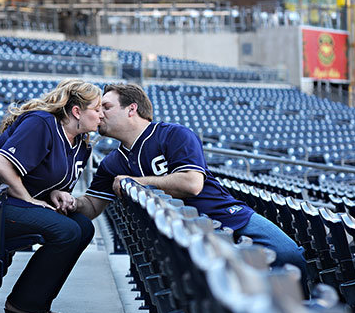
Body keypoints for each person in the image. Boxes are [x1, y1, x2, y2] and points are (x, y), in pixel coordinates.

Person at [52, 83, 308, 281]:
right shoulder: (112, 163)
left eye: (106, 107)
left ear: (132, 109)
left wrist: (135, 181)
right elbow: (92, 207)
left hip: (224, 214)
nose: (99, 114)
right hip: (183, 235)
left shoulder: (174, 134)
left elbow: (192, 183)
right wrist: (69, 201)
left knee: (288, 255)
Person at [0, 79, 103, 313]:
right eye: (97, 108)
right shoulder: (42, 122)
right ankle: (22, 307)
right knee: (66, 230)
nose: (101, 114)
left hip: (15, 202)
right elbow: (2, 166)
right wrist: (29, 199)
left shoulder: (82, 144)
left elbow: (41, 175)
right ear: (76, 111)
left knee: (83, 226)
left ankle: (36, 301)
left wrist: (54, 194)